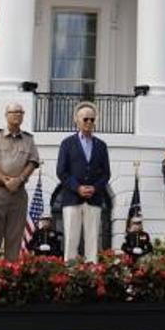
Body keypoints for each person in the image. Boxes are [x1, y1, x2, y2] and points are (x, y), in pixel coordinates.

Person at [0, 102, 40, 260]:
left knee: (15, 238)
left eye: (20, 112)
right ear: (6, 115)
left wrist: (19, 180)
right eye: (13, 112)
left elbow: (33, 162)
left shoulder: (28, 139)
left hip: (18, 193)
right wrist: (6, 180)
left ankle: (10, 275)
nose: (17, 115)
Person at [56, 102, 111, 262]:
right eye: (85, 119)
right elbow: (61, 171)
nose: (89, 122)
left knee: (92, 240)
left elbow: (106, 173)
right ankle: (70, 273)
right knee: (71, 240)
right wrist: (77, 188)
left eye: (92, 119)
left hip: (94, 199)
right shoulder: (67, 143)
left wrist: (94, 188)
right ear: (77, 120)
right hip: (72, 198)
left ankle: (92, 274)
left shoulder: (101, 146)